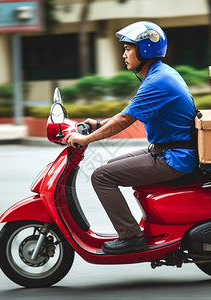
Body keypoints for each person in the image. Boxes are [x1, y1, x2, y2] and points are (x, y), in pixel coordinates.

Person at [65, 21, 197, 254]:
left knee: (101, 176)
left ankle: (131, 236)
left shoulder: (157, 81)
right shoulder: (159, 74)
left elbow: (124, 121)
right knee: (111, 166)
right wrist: (96, 124)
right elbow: (129, 113)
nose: (124, 54)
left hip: (174, 156)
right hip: (166, 149)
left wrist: (87, 139)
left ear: (145, 50)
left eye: (128, 48)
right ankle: (139, 228)